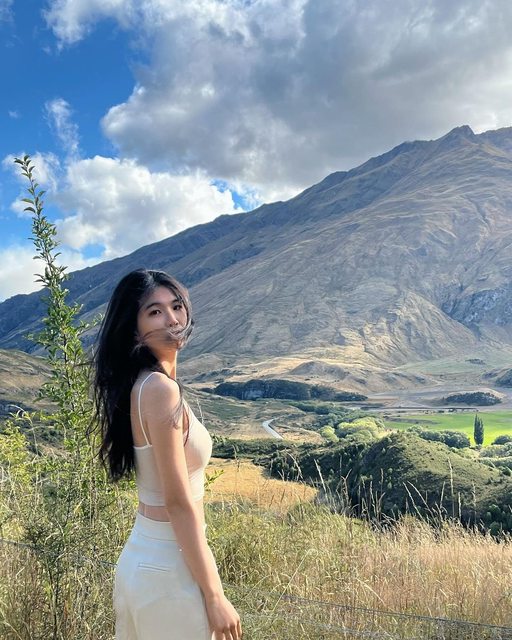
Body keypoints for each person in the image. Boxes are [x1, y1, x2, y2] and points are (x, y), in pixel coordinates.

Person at [92, 268, 242, 640]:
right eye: (155, 311)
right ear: (134, 328)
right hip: (167, 566)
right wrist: (215, 595)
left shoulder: (144, 384)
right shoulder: (160, 389)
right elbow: (177, 501)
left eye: (176, 306)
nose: (172, 319)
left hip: (151, 557)